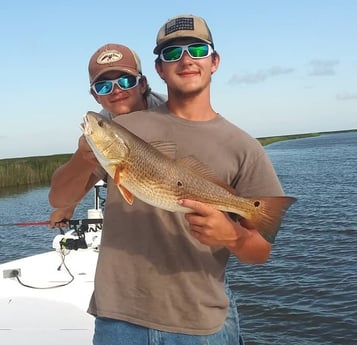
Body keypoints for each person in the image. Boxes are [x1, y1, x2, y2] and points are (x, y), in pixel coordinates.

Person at [49, 15, 287, 344]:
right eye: (172, 54)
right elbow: (59, 199)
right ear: (159, 70)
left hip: (202, 322)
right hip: (119, 316)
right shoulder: (126, 128)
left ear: (214, 61)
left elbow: (260, 251)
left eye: (197, 50)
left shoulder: (244, 147)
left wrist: (232, 235)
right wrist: (85, 153)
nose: (186, 59)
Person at [49, 42, 166, 225]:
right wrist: (69, 205)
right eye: (104, 86)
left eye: (125, 81)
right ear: (96, 96)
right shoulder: (101, 126)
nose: (116, 90)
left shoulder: (169, 111)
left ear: (142, 84)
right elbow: (60, 197)